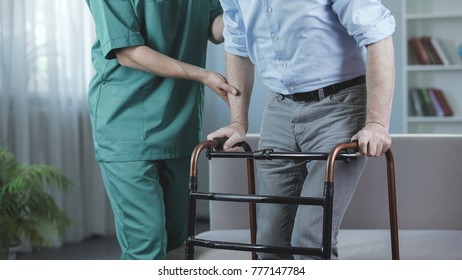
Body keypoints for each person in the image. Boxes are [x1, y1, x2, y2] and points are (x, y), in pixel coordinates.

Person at [208, 0, 396, 259]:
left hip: (340, 103)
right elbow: (237, 41)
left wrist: (376, 122)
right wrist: (238, 122)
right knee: (269, 243)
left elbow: (378, 35)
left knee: (310, 240)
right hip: (279, 106)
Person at [85, 1, 237, 260]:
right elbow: (128, 51)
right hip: (126, 124)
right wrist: (203, 75)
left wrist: (241, 11)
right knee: (147, 245)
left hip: (180, 123)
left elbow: (214, 26)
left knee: (175, 242)